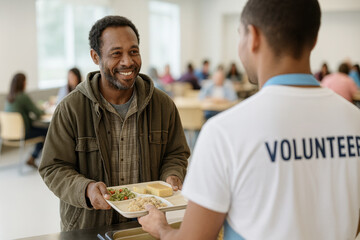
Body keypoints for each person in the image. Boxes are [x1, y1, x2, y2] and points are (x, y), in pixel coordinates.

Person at [139, 0, 360, 239]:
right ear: (314, 39)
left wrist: (161, 228)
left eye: (239, 35)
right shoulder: (354, 119)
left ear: (253, 36)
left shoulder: (224, 132)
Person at [39, 15, 190, 231]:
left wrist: (172, 174)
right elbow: (53, 168)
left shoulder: (163, 105)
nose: (127, 61)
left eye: (134, 51)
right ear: (95, 56)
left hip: (145, 225)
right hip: (88, 227)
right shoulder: (71, 108)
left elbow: (176, 153)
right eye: (116, 53)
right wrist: (86, 189)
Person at [5, 73, 47, 168]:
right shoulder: (22, 96)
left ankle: (32, 158)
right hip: (22, 133)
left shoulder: (9, 97)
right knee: (47, 131)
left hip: (8, 134)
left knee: (41, 130)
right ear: (22, 83)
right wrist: (44, 109)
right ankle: (33, 157)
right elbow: (37, 113)